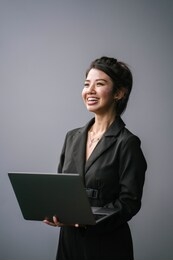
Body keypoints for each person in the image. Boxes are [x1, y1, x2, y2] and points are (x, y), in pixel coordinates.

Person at [44, 56, 147, 260]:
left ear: (119, 93)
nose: (90, 90)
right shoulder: (72, 137)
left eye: (99, 84)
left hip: (106, 244)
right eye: (86, 84)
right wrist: (54, 210)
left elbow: (129, 203)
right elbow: (61, 188)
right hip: (69, 242)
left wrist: (89, 219)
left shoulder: (127, 142)